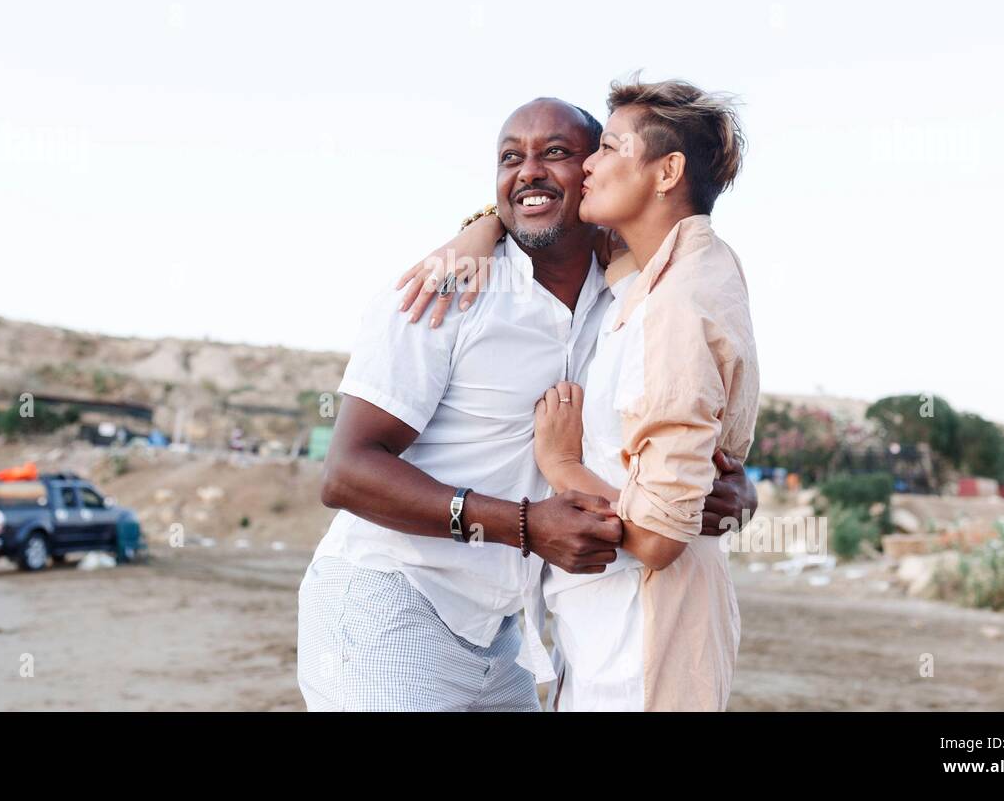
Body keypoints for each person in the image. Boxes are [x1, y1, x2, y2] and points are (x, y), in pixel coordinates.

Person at [296, 96, 756, 711]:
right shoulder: (448, 290)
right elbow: (346, 472)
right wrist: (525, 525)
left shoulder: (623, 298)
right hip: (391, 598)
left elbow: (668, 423)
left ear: (592, 169)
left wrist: (730, 491)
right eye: (511, 158)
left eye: (557, 154)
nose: (529, 172)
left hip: (503, 633)